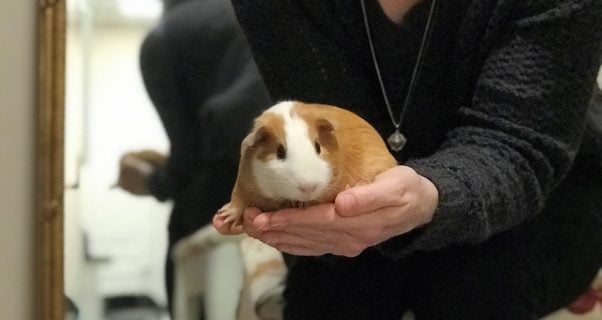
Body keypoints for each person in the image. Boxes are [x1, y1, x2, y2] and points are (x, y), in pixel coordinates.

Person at [213, 0, 602, 319]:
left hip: (525, 206)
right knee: (328, 296)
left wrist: (432, 196)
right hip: (347, 219)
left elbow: (517, 144)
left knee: (477, 293)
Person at [115, 0, 272, 314]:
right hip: (282, 145)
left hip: (239, 142)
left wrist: (148, 180)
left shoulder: (160, 39)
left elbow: (187, 162)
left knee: (181, 234)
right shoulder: (236, 14)